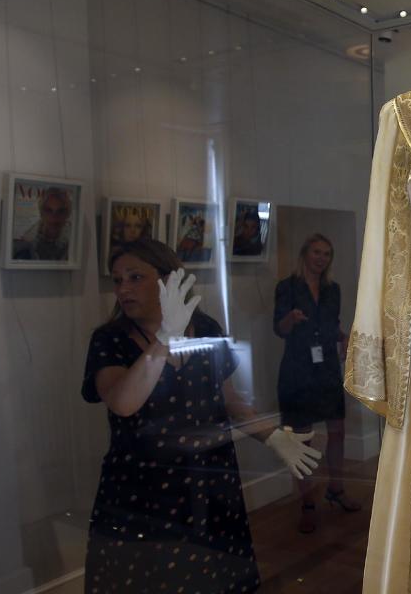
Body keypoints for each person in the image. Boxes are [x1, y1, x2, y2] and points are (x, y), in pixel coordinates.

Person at [81, 239, 320, 593]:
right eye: (117, 280)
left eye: (134, 277)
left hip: (209, 483)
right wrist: (164, 338)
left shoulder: (205, 328)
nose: (123, 289)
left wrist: (271, 434)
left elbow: (228, 400)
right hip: (143, 490)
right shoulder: (110, 339)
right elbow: (123, 402)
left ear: (167, 281)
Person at [273, 234, 360, 533]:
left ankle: (336, 489)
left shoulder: (332, 289)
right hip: (298, 369)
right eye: (316, 252)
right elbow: (279, 329)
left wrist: (344, 337)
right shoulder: (287, 287)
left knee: (337, 430)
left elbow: (332, 325)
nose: (321, 258)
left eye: (326, 253)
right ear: (304, 254)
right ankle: (307, 503)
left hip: (326, 368)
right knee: (302, 438)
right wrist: (292, 318)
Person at [13, 186, 72, 260]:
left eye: (60, 211)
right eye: (49, 210)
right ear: (41, 213)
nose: (54, 217)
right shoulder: (27, 245)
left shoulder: (73, 244)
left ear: (67, 214)